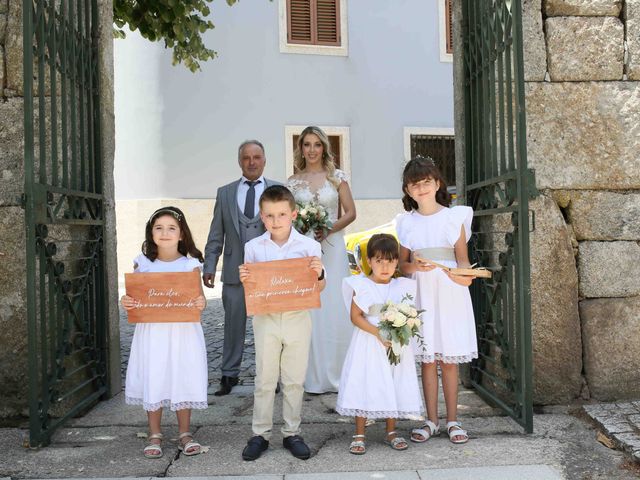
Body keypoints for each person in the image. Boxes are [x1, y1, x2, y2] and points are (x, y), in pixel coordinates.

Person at [238, 185, 326, 461]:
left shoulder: (309, 247)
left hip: (298, 318)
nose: (276, 221)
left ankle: (292, 433)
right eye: (269, 216)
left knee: (294, 379)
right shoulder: (253, 248)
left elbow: (320, 287)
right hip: (266, 319)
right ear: (262, 217)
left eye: (281, 214)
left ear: (293, 214)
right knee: (264, 379)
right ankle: (260, 434)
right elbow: (251, 292)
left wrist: (319, 273)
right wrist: (246, 280)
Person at [396, 156, 477, 445]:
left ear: (438, 183)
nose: (421, 188)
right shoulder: (406, 223)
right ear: (407, 190)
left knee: (449, 360)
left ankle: (453, 420)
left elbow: (463, 261)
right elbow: (402, 266)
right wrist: (416, 267)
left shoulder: (455, 217)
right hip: (421, 294)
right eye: (415, 184)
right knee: (428, 360)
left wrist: (465, 277)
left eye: (426, 182)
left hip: (450, 293)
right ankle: (431, 420)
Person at [121, 206, 208, 458]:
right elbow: (134, 296)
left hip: (182, 332)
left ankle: (184, 433)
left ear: (182, 234)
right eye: (158, 227)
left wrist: (200, 303)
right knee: (154, 374)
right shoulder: (143, 263)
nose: (165, 232)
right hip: (153, 332)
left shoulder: (190, 264)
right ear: (151, 233)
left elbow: (199, 299)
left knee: (182, 374)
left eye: (171, 228)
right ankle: (154, 433)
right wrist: (127, 302)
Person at [203, 140, 281, 396]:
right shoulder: (225, 193)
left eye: (256, 157)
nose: (251, 162)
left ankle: (272, 377)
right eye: (246, 158)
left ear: (264, 160)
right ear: (240, 161)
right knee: (232, 324)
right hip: (235, 271)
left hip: (269, 273)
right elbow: (217, 233)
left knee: (271, 327)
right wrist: (210, 265)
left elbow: (288, 233)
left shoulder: (278, 190)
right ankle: (228, 374)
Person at [337, 234, 423, 455]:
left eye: (390, 261)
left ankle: (391, 431)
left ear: (396, 261)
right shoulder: (362, 286)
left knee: (393, 381)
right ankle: (359, 432)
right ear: (369, 260)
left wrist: (402, 330)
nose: (385, 267)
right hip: (369, 342)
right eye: (379, 261)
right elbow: (355, 316)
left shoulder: (402, 286)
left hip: (394, 345)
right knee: (365, 380)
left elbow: (409, 313)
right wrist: (377, 333)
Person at [287, 126, 356, 394]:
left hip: (333, 245)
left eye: (317, 144)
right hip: (304, 248)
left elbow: (351, 212)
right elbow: (288, 215)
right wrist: (303, 227)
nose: (312, 149)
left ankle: (340, 371)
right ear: (301, 148)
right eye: (307, 144)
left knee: (335, 302)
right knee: (310, 306)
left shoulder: (337, 178)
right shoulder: (292, 182)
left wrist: (329, 228)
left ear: (324, 148)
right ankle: (311, 374)